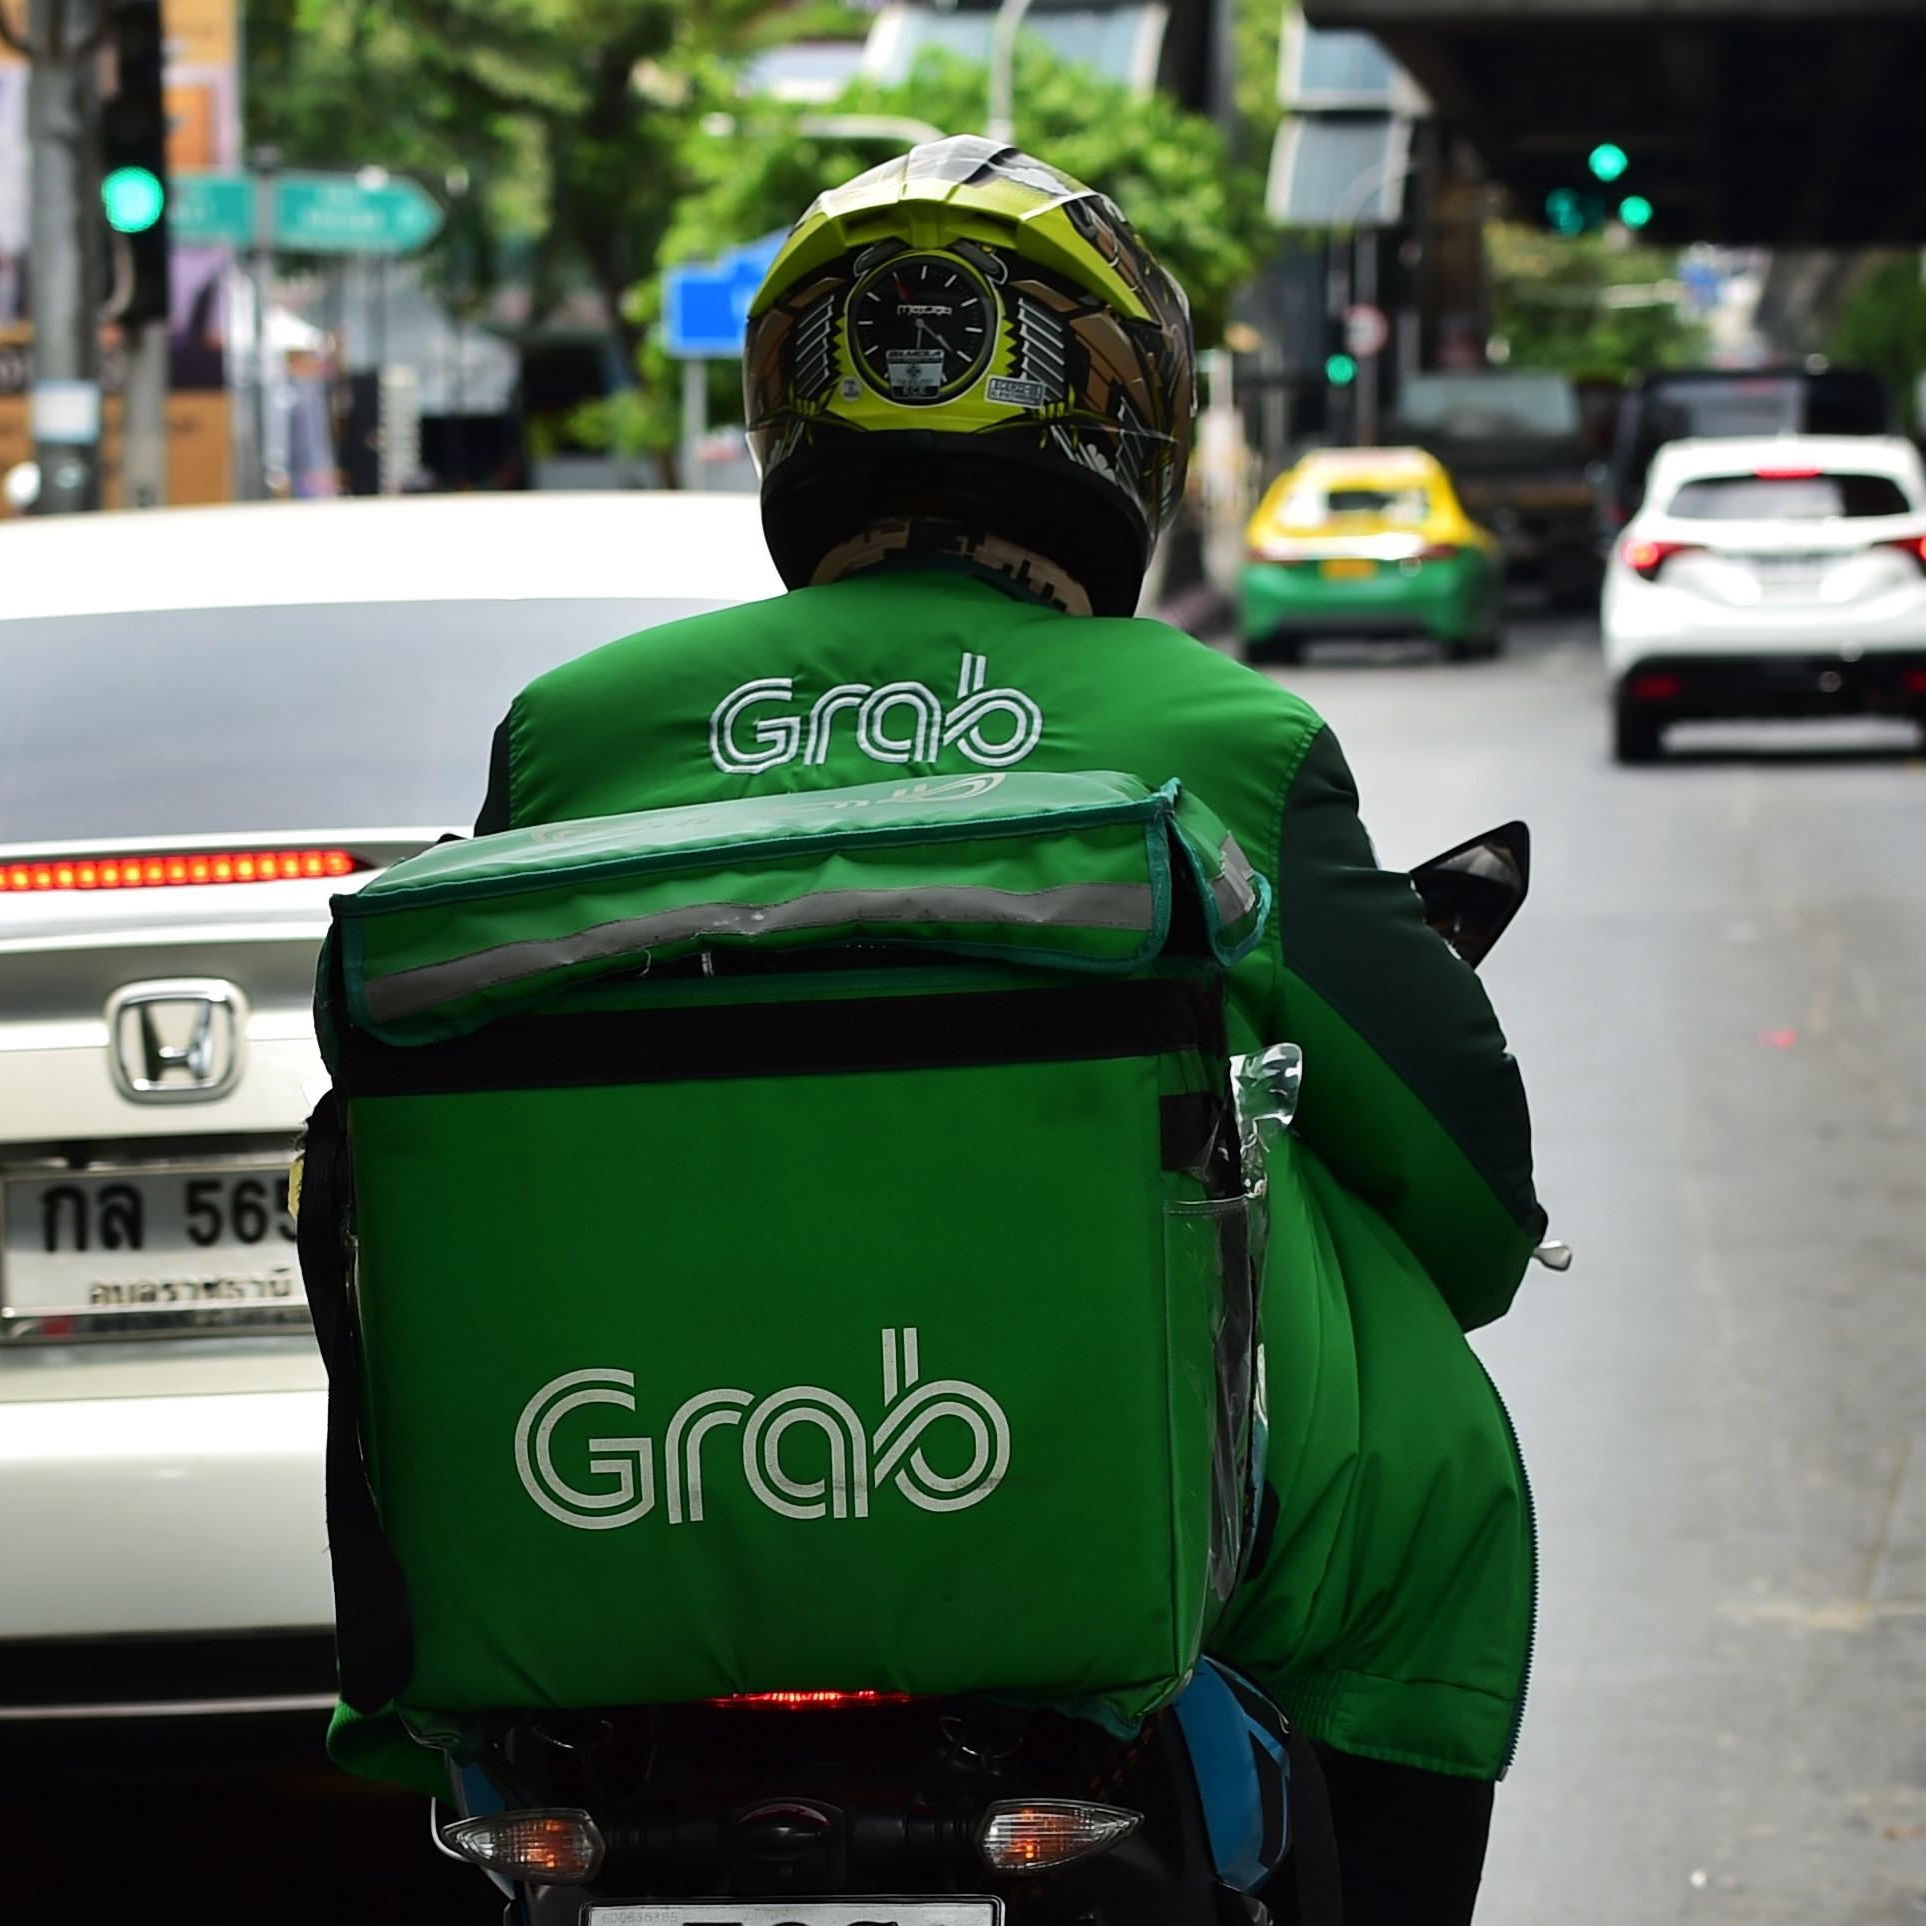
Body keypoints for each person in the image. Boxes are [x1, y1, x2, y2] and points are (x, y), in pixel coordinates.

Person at [468, 138, 1544, 1926]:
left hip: (648, 1475)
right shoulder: (1220, 731)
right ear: (1127, 427)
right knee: (1429, 1481)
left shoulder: (575, 733)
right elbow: (1464, 1199)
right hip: (1078, 1487)